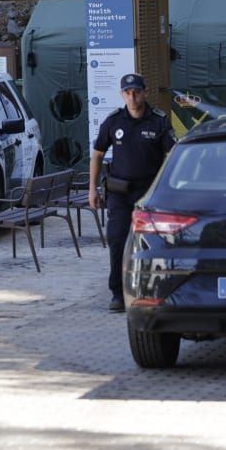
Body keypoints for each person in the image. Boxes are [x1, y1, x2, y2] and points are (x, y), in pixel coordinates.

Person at [88, 72, 175, 312]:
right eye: (127, 93)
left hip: (149, 193)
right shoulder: (114, 121)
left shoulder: (158, 121)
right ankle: (117, 292)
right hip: (119, 192)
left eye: (136, 92)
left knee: (151, 242)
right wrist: (92, 188)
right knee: (116, 239)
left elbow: (171, 156)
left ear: (145, 92)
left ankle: (150, 289)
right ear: (122, 95)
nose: (132, 97)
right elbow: (97, 154)